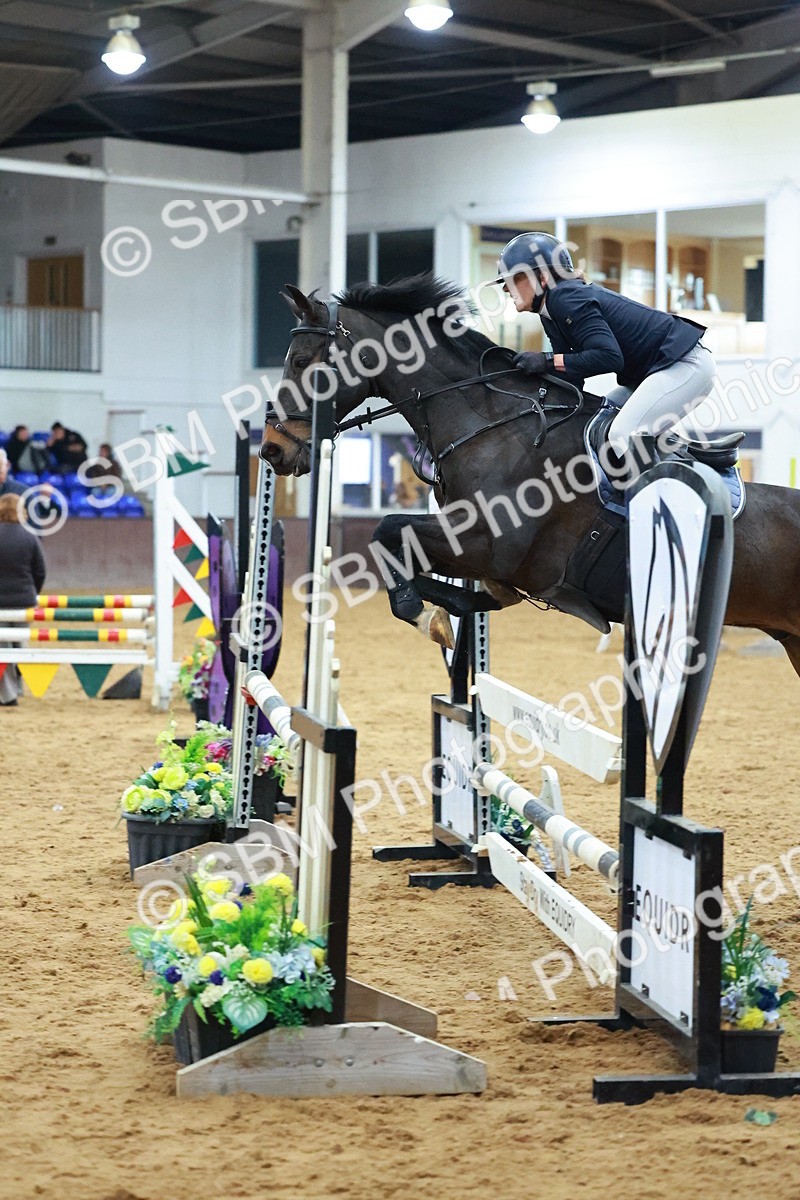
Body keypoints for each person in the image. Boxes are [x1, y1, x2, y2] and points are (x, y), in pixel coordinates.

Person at [493, 231, 716, 457]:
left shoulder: (564, 298)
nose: (505, 288)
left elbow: (609, 357)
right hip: (659, 370)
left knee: (622, 433)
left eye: (513, 279)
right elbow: (572, 375)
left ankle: (658, 493)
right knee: (596, 421)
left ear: (542, 277)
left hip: (684, 364)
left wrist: (546, 361)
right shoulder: (549, 311)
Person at [0, 493, 46, 706]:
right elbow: (40, 570)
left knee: (3, 648)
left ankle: (8, 696)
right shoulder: (30, 535)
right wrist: (32, 592)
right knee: (20, 643)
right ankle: (20, 684)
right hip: (24, 601)